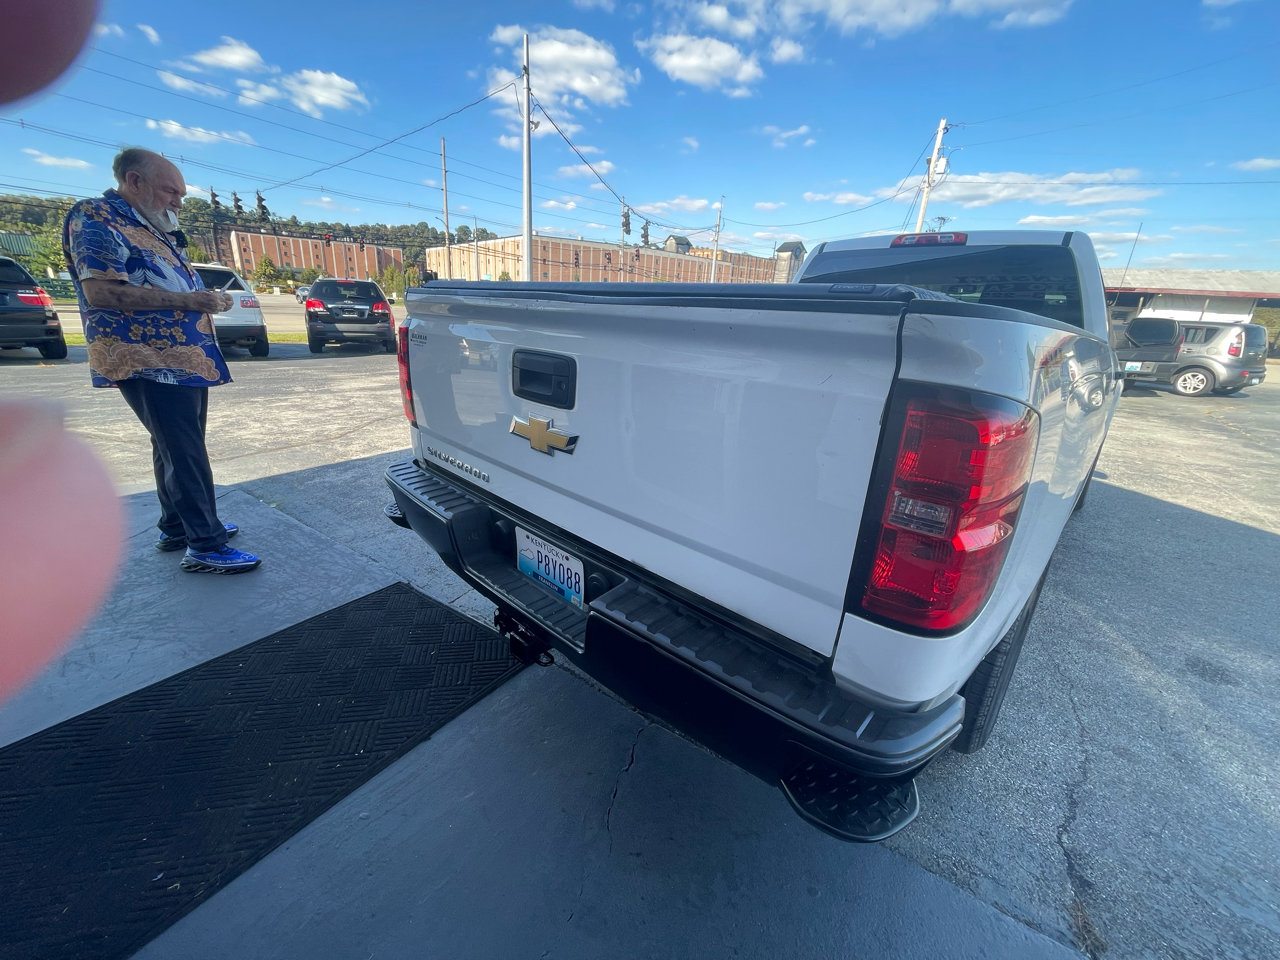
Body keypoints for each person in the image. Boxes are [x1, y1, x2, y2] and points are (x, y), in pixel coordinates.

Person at [62, 148, 262, 574]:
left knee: (171, 444)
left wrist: (205, 300)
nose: (178, 201)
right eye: (172, 191)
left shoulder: (149, 226)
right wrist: (189, 300)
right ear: (135, 182)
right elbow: (101, 292)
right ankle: (205, 546)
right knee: (184, 449)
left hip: (184, 358)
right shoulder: (96, 217)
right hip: (148, 356)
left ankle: (177, 527)